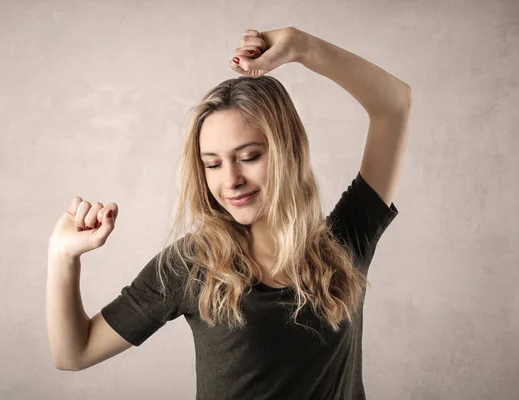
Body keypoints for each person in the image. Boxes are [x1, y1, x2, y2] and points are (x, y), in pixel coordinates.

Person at [46, 26, 410, 400]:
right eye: (213, 164)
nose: (231, 180)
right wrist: (62, 256)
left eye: (249, 157)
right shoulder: (193, 263)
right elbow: (75, 352)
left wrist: (302, 46)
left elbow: (394, 105)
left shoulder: (344, 242)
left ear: (289, 151)